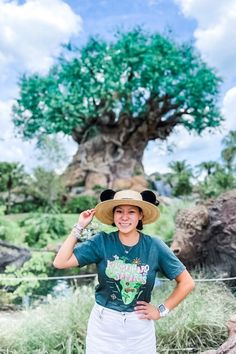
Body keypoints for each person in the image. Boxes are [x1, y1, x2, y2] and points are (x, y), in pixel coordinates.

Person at [53, 189, 195, 354]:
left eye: (131, 212)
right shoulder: (102, 242)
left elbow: (187, 282)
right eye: (119, 211)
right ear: (113, 215)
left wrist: (161, 311)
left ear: (141, 215)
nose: (124, 217)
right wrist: (80, 226)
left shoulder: (154, 246)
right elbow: (60, 262)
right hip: (103, 327)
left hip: (139, 329)